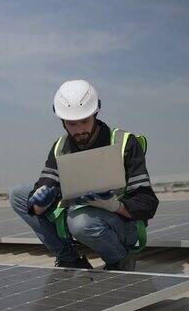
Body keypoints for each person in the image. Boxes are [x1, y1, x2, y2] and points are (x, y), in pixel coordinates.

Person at [10, 79, 159, 271]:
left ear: (95, 113)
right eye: (72, 124)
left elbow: (147, 203)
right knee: (18, 194)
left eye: (85, 121)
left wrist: (115, 206)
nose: (79, 130)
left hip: (122, 223)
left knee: (80, 223)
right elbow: (41, 192)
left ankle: (120, 258)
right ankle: (69, 258)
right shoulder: (60, 147)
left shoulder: (124, 143)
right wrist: (38, 204)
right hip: (78, 217)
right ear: (62, 121)